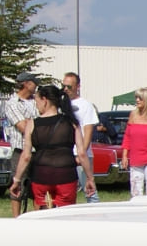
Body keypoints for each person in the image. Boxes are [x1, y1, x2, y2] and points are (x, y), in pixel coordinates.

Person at [7, 83, 96, 209]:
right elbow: (81, 153)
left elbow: (26, 156)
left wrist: (16, 180)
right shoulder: (71, 122)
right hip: (66, 174)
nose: (36, 105)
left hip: (41, 175)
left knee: (43, 212)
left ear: (45, 100)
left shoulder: (32, 124)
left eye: (37, 101)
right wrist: (89, 178)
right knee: (66, 212)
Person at [2, 71, 38, 216]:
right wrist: (36, 123)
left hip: (38, 149)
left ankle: (39, 217)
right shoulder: (12, 103)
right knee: (19, 186)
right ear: (26, 84)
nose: (36, 86)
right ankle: (17, 219)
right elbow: (23, 127)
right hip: (21, 150)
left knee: (37, 188)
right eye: (34, 83)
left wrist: (31, 122)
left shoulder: (37, 100)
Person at [62, 72, 101, 202]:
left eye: (69, 87)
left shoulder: (85, 105)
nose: (66, 89)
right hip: (65, 154)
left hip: (81, 154)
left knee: (89, 190)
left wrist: (81, 154)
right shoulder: (61, 105)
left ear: (78, 86)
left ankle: (96, 214)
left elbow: (88, 131)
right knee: (67, 190)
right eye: (64, 86)